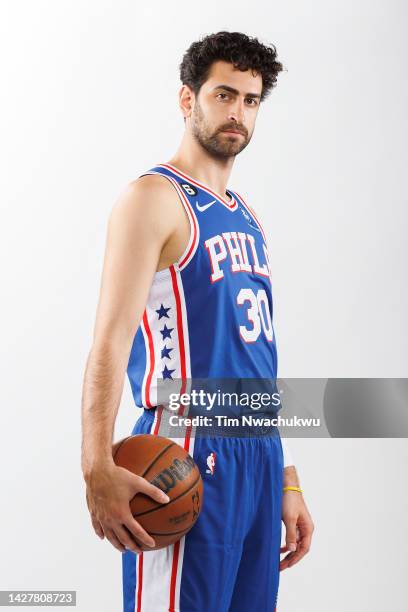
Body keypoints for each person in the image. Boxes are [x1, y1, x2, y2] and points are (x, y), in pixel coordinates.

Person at [81, 31, 314, 612]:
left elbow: (255, 363)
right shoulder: (152, 199)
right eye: (224, 95)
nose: (238, 113)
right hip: (187, 449)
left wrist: (283, 473)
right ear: (189, 100)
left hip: (256, 457)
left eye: (251, 100)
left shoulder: (247, 218)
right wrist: (95, 465)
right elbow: (108, 342)